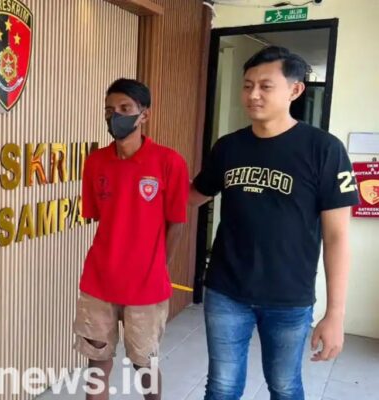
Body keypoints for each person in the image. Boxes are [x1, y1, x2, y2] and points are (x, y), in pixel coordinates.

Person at [189, 46, 359, 400]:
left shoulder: (324, 150)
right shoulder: (228, 147)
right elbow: (194, 194)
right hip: (225, 290)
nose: (253, 94)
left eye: (265, 86)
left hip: (289, 297)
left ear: (295, 90)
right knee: (221, 386)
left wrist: (335, 314)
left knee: (284, 386)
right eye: (247, 85)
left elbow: (338, 237)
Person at [73, 78, 190, 400]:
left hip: (146, 286)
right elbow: (99, 215)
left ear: (144, 115)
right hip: (99, 281)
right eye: (109, 110)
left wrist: (158, 266)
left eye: (125, 108)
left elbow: (176, 224)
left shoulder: (169, 162)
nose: (116, 116)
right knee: (97, 362)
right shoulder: (95, 162)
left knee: (144, 364)